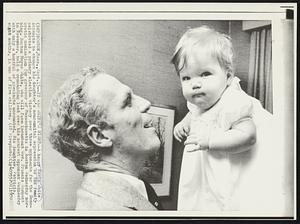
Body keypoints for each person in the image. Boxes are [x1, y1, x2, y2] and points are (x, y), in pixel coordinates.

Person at [171, 26, 285, 214]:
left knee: (232, 202)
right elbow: (194, 113)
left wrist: (210, 141)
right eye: (186, 78)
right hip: (206, 172)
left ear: (228, 76)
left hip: (233, 166)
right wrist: (184, 124)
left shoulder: (235, 102)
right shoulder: (199, 103)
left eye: (205, 74)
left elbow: (248, 136)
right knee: (201, 202)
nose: (195, 83)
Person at [48, 67, 163, 211]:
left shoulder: (135, 190)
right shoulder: (107, 210)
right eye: (127, 102)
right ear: (101, 136)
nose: (146, 103)